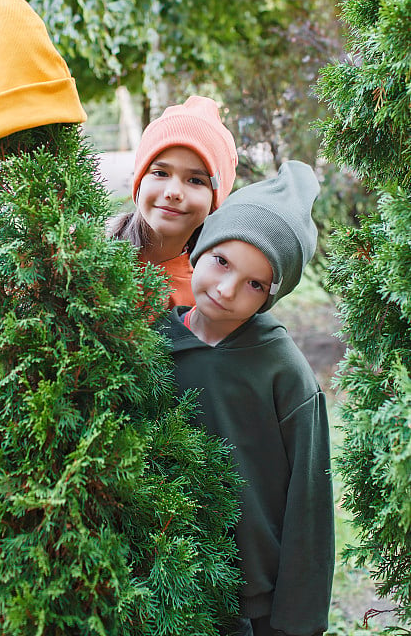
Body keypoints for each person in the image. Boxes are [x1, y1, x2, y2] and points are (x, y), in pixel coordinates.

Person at [162, 161, 335, 636]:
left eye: (255, 284)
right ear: (200, 248)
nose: (226, 289)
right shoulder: (151, 344)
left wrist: (298, 621)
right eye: (222, 261)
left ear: (269, 298)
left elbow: (310, 505)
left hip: (256, 605)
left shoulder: (285, 372)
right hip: (165, 583)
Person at [110, 95, 238, 307]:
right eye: (160, 173)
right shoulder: (88, 251)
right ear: (140, 180)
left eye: (196, 180)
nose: (173, 192)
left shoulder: (208, 297)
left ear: (214, 201)